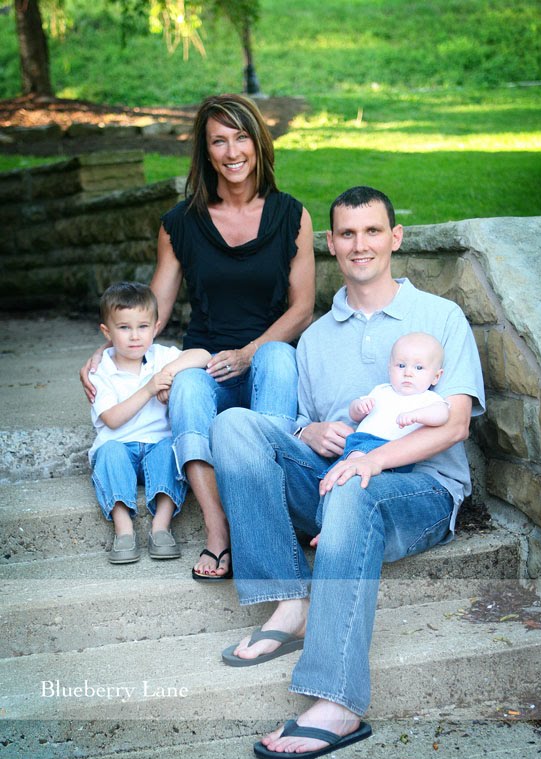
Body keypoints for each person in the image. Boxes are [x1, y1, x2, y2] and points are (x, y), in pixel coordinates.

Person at [211, 186, 485, 759]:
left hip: (420, 490)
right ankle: (289, 600)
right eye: (347, 234)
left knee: (353, 493)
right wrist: (311, 432)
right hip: (331, 478)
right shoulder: (314, 338)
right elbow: (301, 425)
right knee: (235, 425)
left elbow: (455, 424)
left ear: (395, 237)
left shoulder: (440, 317)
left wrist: (372, 460)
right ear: (331, 244)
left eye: (373, 231)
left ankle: (336, 701)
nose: (361, 244)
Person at [80, 94, 315, 580]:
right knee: (186, 384)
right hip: (207, 364)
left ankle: (268, 518)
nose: (232, 152)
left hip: (266, 363)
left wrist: (248, 353)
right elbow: (154, 310)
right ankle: (218, 532)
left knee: (277, 356)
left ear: (259, 143)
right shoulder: (181, 223)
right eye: (218, 141)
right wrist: (107, 350)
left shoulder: (292, 215)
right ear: (205, 151)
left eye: (241, 137)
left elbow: (302, 309)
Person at [89, 282, 210, 564]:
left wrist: (170, 371)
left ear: (155, 328)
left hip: (156, 445)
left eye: (143, 327)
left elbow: (203, 355)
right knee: (109, 454)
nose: (135, 336)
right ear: (107, 332)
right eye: (124, 328)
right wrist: (149, 388)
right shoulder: (100, 370)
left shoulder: (160, 356)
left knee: (171, 449)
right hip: (119, 445)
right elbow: (112, 419)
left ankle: (161, 527)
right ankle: (124, 531)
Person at [320, 331, 449, 480]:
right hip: (363, 441)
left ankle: (342, 477)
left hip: (397, 451)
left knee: (350, 469)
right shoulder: (381, 391)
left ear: (436, 376)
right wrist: (359, 406)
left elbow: (442, 415)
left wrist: (417, 415)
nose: (408, 372)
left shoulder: (428, 398)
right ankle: (334, 480)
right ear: (389, 369)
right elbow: (354, 415)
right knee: (344, 468)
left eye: (419, 368)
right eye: (401, 365)